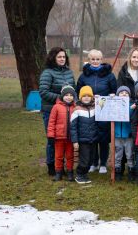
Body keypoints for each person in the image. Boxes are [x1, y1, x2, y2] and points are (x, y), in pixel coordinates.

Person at [76, 49, 117, 174]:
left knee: (104, 138)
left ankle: (103, 163)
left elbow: (115, 90)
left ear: (101, 60)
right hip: (89, 110)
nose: (95, 61)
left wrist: (112, 95)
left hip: (105, 110)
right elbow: (78, 91)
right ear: (89, 60)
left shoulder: (109, 75)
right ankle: (94, 162)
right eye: (92, 59)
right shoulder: (83, 76)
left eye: (97, 59)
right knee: (92, 137)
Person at [39, 47, 75, 176]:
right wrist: (61, 99)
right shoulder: (47, 73)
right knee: (53, 139)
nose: (62, 59)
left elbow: (73, 90)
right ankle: (51, 165)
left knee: (66, 139)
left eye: (64, 57)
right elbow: (43, 92)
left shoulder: (69, 73)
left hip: (68, 112)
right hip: (51, 111)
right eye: (59, 57)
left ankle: (63, 166)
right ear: (53, 58)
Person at [47, 85, 76, 181]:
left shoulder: (75, 107)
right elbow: (51, 122)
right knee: (58, 156)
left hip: (70, 138)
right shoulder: (56, 107)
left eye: (71, 95)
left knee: (70, 156)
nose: (69, 97)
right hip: (59, 137)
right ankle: (58, 173)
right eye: (66, 95)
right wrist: (51, 135)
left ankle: (70, 173)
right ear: (62, 96)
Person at [70, 86, 98, 184]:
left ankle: (85, 173)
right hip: (83, 140)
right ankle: (79, 174)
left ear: (92, 97)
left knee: (91, 159)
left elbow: (105, 106)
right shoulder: (77, 109)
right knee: (84, 159)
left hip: (93, 139)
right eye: (84, 96)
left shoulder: (95, 107)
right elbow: (73, 127)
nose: (86, 98)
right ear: (80, 97)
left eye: (88, 96)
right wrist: (75, 141)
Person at [114, 86, 134, 181]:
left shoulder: (132, 106)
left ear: (129, 96)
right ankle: (117, 172)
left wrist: (130, 108)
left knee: (129, 154)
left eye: (126, 93)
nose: (124, 94)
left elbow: (128, 115)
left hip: (128, 135)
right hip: (117, 135)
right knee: (118, 154)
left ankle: (131, 171)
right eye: (121, 93)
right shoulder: (114, 105)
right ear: (118, 95)